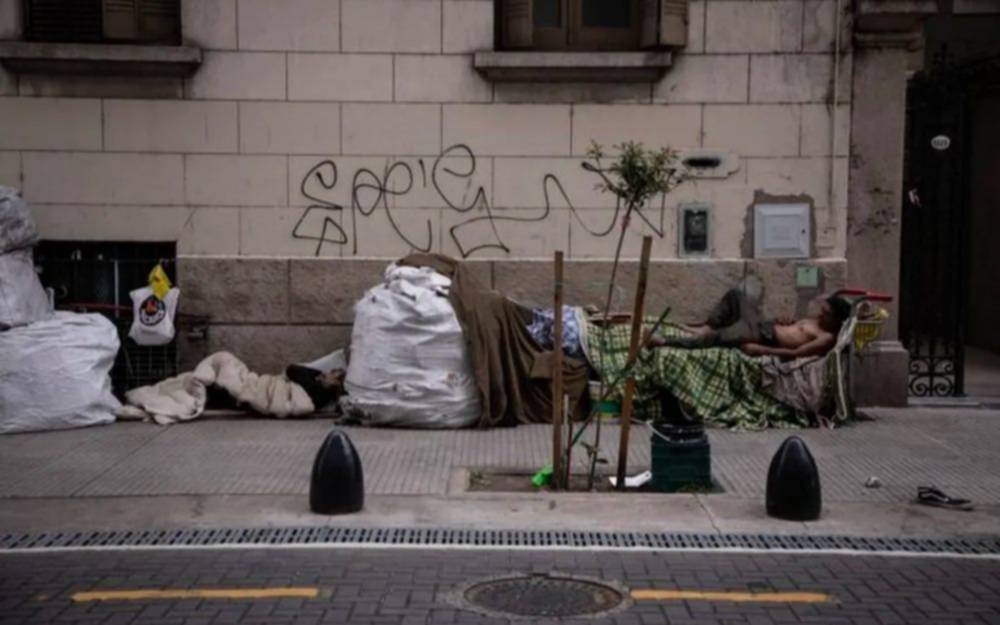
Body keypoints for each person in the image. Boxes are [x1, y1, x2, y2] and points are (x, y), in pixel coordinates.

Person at [651, 280, 852, 360]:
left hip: (761, 337)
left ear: (836, 320)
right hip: (763, 325)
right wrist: (785, 321)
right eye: (822, 310)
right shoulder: (817, 321)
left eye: (826, 313)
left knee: (717, 338)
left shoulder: (826, 338)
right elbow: (795, 329)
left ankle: (663, 341)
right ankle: (706, 326)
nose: (820, 314)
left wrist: (761, 350)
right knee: (736, 295)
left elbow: (797, 353)